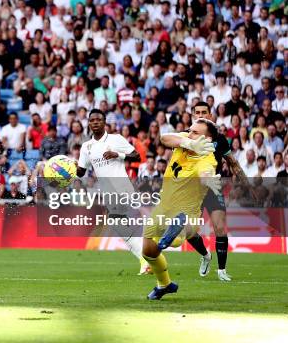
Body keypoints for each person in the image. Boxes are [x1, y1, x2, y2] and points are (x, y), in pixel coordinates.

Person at [144, 119, 220, 299]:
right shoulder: (186, 139)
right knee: (148, 251)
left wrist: (208, 179)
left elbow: (205, 172)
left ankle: (176, 231)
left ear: (207, 140)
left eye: (195, 132)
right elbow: (164, 138)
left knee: (177, 236)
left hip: (188, 212)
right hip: (164, 205)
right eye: (190, 130)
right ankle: (165, 284)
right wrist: (189, 141)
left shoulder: (207, 159)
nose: (189, 133)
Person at [76, 109, 148, 275]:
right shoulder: (86, 147)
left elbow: (137, 156)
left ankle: (147, 259)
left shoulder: (116, 139)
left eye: (98, 120)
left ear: (104, 122)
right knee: (122, 228)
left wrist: (118, 154)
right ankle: (146, 260)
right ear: (88, 123)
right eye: (92, 120)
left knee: (122, 225)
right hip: (108, 192)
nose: (95, 122)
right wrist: (69, 168)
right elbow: (81, 172)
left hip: (122, 187)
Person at [183, 102, 249, 281]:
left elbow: (233, 163)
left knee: (220, 227)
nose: (201, 115)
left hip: (213, 186)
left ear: (210, 115)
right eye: (197, 112)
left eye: (204, 112)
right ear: (193, 115)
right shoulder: (185, 137)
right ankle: (205, 255)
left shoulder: (219, 139)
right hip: (192, 189)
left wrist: (247, 184)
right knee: (188, 231)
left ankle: (221, 271)